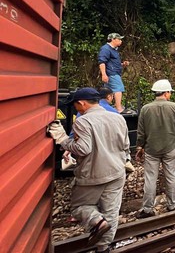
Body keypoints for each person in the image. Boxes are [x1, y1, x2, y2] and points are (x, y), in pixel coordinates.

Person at [47, 88, 129, 252]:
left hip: (93, 174)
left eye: (76, 105)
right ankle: (103, 247)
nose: (76, 108)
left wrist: (62, 139)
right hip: (117, 172)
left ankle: (97, 222)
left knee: (79, 207)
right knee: (111, 211)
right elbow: (125, 145)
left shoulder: (83, 121)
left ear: (82, 103)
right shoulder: (118, 118)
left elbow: (83, 149)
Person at [136, 79, 175, 218]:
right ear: (166, 93)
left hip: (151, 149)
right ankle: (172, 205)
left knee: (150, 179)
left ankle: (147, 208)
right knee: (171, 176)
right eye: (170, 92)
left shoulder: (145, 109)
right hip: (170, 148)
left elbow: (141, 132)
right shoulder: (174, 107)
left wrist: (140, 147)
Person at [98, 33, 130, 113]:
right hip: (111, 73)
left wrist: (123, 64)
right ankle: (119, 108)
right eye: (119, 39)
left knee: (108, 91)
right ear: (113, 39)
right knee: (118, 88)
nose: (121, 41)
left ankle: (107, 107)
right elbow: (102, 62)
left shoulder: (114, 50)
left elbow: (113, 63)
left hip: (113, 72)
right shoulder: (105, 49)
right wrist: (104, 74)